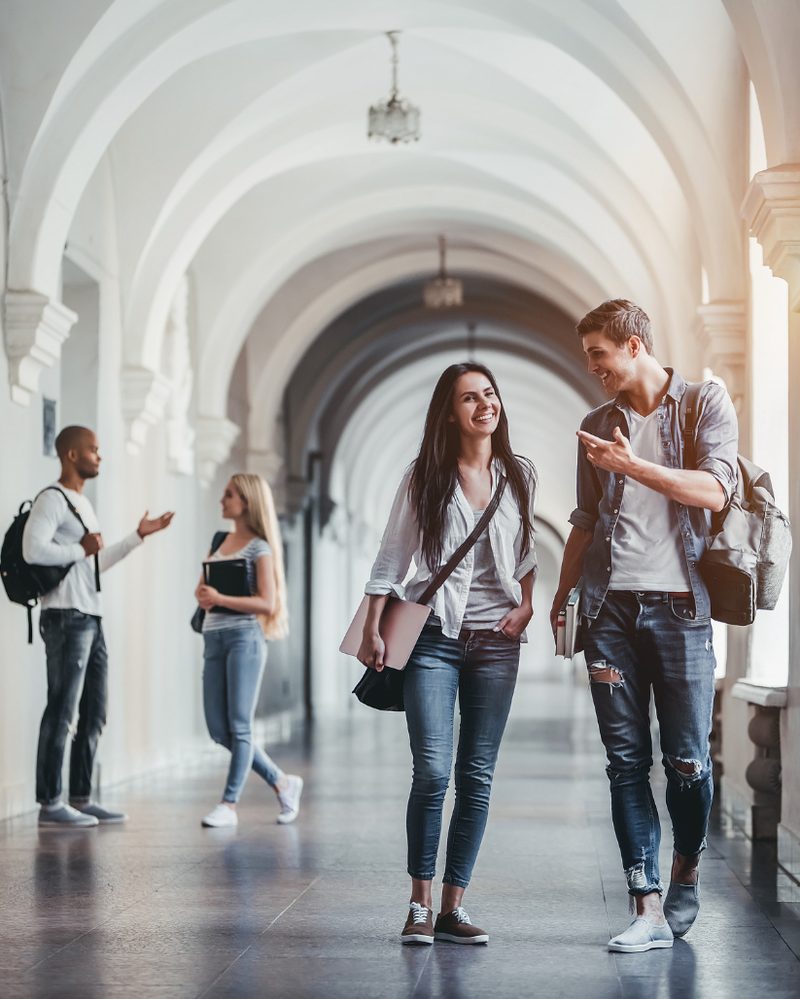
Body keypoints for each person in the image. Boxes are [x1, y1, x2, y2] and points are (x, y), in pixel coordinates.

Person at [550, 300, 738, 952]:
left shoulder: (702, 405)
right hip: (610, 613)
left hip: (683, 610)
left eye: (599, 354)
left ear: (633, 344)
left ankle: (687, 859)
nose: (594, 368)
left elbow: (716, 491)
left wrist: (633, 466)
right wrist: (563, 589)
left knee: (686, 760)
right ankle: (647, 902)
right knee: (625, 761)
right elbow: (583, 517)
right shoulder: (596, 424)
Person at [358, 363, 537, 945]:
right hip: (433, 636)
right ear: (450, 412)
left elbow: (528, 553)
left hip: (496, 642)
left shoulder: (519, 474)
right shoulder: (426, 477)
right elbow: (392, 557)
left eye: (490, 394)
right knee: (433, 772)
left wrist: (528, 604)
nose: (484, 405)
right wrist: (373, 628)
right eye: (469, 398)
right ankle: (418, 903)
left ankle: (453, 908)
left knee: (476, 776)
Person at [23, 425, 174, 827]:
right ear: (71, 455)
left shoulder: (83, 505)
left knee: (94, 712)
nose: (99, 455)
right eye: (93, 449)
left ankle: (81, 796)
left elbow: (93, 564)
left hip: (91, 615)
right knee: (63, 710)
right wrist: (80, 548)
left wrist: (137, 537)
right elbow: (31, 549)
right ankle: (50, 803)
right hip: (64, 616)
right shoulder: (52, 500)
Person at [196, 473, 303, 828]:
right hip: (213, 638)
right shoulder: (218, 541)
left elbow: (268, 602)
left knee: (240, 727)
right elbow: (202, 587)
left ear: (247, 502)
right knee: (218, 729)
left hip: (245, 640)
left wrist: (221, 598)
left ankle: (228, 805)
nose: (222, 500)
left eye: (229, 495)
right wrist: (205, 594)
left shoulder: (260, 548)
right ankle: (282, 782)